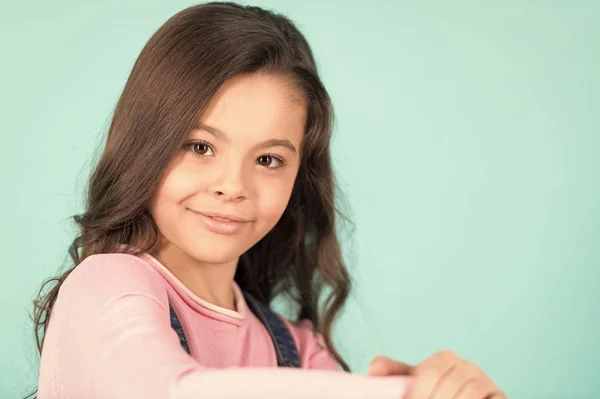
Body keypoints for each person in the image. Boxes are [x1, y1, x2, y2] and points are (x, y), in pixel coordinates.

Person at [32, 2, 505, 398]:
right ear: (146, 144)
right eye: (200, 147)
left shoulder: (299, 352)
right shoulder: (106, 285)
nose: (232, 185)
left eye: (269, 160)